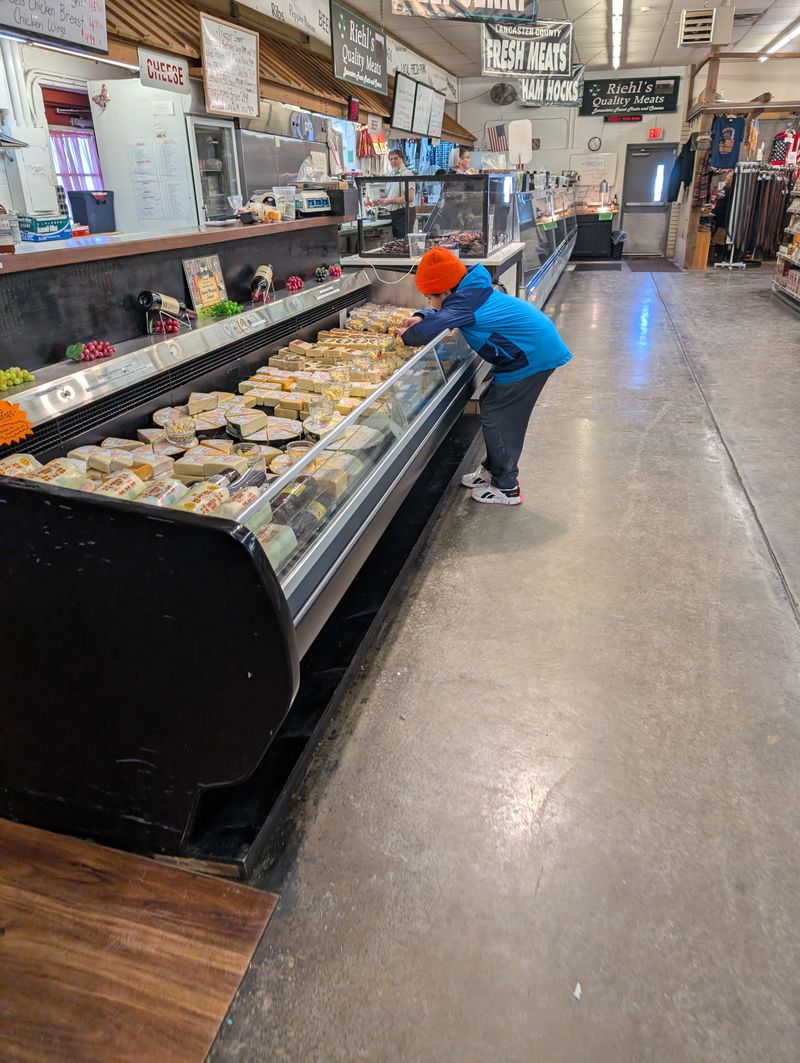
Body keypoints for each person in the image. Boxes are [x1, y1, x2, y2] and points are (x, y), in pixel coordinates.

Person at [395, 247, 571, 506]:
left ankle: (507, 486)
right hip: (526, 352)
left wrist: (408, 334)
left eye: (429, 298)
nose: (428, 303)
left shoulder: (465, 302)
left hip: (533, 357)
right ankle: (493, 469)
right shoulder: (468, 291)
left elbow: (423, 334)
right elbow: (446, 311)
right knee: (492, 404)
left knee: (501, 416)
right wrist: (421, 315)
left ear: (445, 292)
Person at [367, 149, 416, 238]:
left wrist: (389, 201)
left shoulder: (407, 174)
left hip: (405, 213)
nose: (393, 161)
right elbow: (389, 195)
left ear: (402, 159)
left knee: (404, 242)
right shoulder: (390, 175)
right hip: (394, 214)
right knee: (397, 242)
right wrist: (379, 201)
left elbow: (410, 197)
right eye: (391, 159)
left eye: (396, 158)